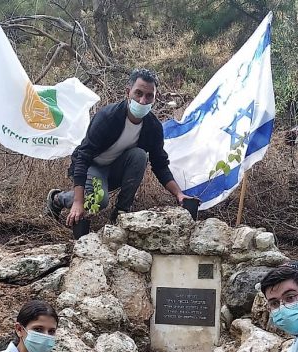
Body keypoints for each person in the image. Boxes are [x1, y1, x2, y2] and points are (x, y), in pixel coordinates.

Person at [45, 68, 197, 239]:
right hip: (93, 166)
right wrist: (78, 202)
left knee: (140, 155)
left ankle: (121, 214)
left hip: (116, 168)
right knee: (99, 201)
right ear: (128, 92)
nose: (142, 100)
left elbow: (160, 164)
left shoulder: (153, 127)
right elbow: (83, 156)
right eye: (138, 93)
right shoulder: (108, 117)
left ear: (155, 98)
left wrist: (179, 194)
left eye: (149, 96)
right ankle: (58, 199)